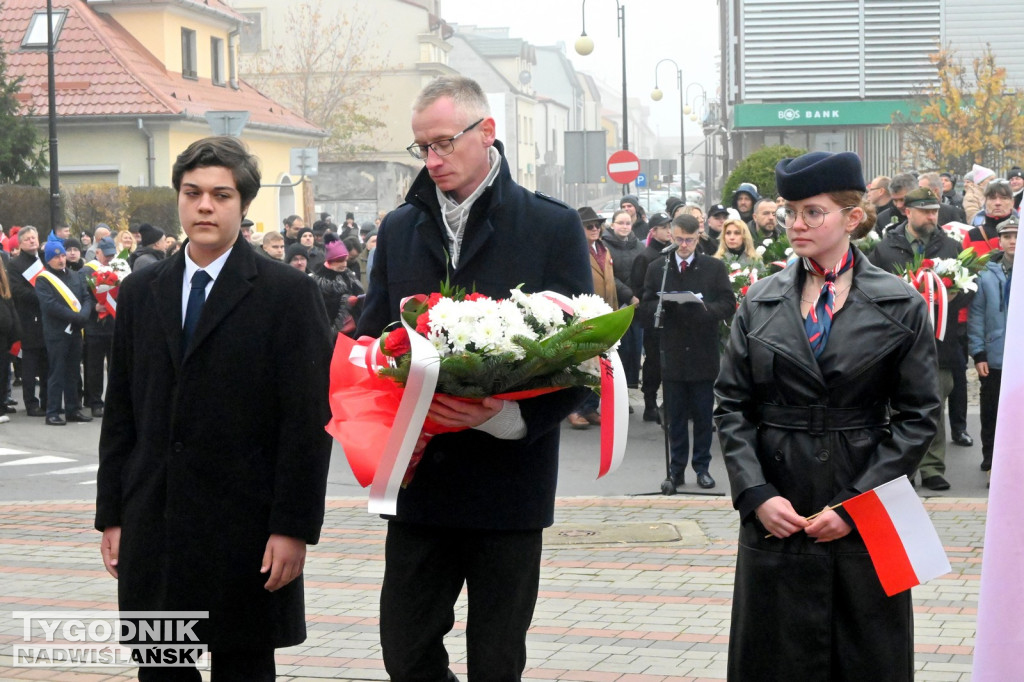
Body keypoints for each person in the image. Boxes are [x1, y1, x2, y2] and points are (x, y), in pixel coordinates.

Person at [357, 75, 591, 682]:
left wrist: (510, 418)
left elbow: (584, 351)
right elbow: (372, 331)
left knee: (496, 659)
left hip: (508, 485)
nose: (431, 161)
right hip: (420, 480)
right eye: (421, 149)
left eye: (443, 144)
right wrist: (376, 369)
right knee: (403, 649)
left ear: (486, 132)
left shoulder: (550, 226)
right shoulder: (399, 229)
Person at [95, 136, 333, 681]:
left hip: (245, 529)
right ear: (178, 199)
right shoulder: (140, 291)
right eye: (193, 192)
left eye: (221, 195)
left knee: (243, 668)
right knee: (160, 670)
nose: (205, 205)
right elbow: (122, 413)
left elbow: (307, 423)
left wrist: (293, 527)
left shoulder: (287, 294)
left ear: (242, 205)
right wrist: (113, 514)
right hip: (156, 521)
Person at [715, 151, 940, 681]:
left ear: (852, 217)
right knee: (774, 658)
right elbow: (731, 405)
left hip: (865, 496)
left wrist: (857, 506)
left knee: (866, 655)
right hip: (779, 504)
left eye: (813, 212)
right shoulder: (759, 302)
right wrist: (755, 493)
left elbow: (918, 417)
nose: (796, 223)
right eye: (790, 209)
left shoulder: (901, 304)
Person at [870, 187, 967, 490]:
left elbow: (967, 291)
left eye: (935, 210)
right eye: (925, 211)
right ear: (906, 212)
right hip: (895, 343)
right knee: (897, 408)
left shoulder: (950, 247)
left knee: (934, 404)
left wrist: (949, 296)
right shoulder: (886, 248)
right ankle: (902, 469)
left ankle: (933, 467)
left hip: (938, 343)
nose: (932, 216)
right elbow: (870, 291)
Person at [641, 213, 734, 490]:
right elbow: (645, 305)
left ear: (698, 238)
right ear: (671, 236)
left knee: (704, 415)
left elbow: (728, 303)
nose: (684, 245)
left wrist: (705, 310)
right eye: (679, 239)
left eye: (690, 240)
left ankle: (702, 467)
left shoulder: (713, 267)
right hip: (671, 352)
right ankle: (676, 469)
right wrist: (663, 307)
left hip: (702, 351)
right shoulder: (659, 268)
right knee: (675, 416)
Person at [968, 216, 1016, 474]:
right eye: (1007, 237)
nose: (1012, 242)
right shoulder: (987, 274)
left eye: (1017, 236)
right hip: (995, 354)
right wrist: (978, 352)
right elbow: (976, 315)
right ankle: (991, 456)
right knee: (991, 412)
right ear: (1000, 241)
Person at [35, 239, 93, 425]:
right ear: (48, 259)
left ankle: (72, 409)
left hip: (75, 331)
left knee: (73, 372)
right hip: (57, 332)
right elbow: (50, 305)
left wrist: (84, 314)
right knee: (57, 372)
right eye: (56, 257)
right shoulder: (43, 279)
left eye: (62, 255)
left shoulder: (75, 276)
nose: (61, 260)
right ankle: (52, 411)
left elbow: (86, 297)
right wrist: (76, 317)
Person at [568, 207, 617, 429]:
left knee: (598, 364)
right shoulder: (574, 250)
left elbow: (611, 284)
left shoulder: (603, 249)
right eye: (590, 225)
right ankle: (574, 410)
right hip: (583, 314)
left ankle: (590, 407)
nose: (595, 229)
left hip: (605, 312)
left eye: (598, 225)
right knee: (581, 365)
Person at [631, 211, 673, 423]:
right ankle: (649, 402)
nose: (668, 231)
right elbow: (638, 290)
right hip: (653, 317)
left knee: (671, 362)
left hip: (673, 318)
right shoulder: (646, 256)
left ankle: (671, 402)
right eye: (664, 227)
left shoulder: (673, 253)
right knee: (654, 362)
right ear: (654, 231)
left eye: (670, 226)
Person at [7, 226, 48, 416]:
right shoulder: (15, 264)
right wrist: (44, 296)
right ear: (21, 243)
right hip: (28, 319)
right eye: (28, 239)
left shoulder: (45, 259)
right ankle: (31, 404)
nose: (32, 241)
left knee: (47, 363)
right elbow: (17, 291)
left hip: (48, 319)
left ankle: (48, 401)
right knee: (30, 365)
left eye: (34, 237)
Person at [602, 208, 643, 389]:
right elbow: (610, 276)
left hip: (637, 304)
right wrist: (629, 294)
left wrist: (639, 295)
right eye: (620, 223)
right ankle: (618, 389)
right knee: (621, 349)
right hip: (617, 303)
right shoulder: (605, 246)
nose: (624, 226)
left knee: (636, 347)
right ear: (613, 225)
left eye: (627, 223)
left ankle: (631, 385)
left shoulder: (639, 246)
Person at [310, 234, 363, 337]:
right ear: (329, 261)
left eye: (345, 260)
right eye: (339, 261)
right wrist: (345, 301)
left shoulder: (348, 274)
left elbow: (359, 292)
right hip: (332, 333)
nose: (344, 264)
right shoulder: (318, 279)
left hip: (353, 331)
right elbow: (320, 306)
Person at [0, 264, 19, 425]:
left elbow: (10, 305)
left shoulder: (4, 284)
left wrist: (16, 332)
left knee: (2, 372)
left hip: (4, 338)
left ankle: (1, 406)